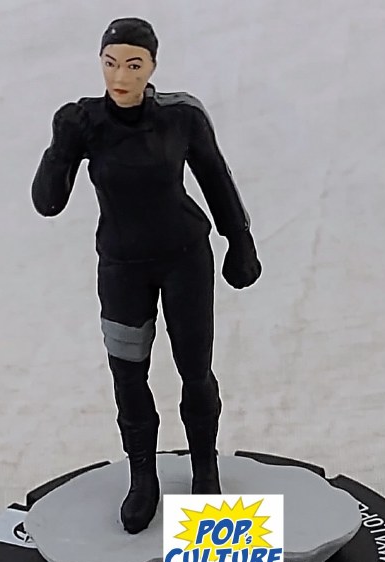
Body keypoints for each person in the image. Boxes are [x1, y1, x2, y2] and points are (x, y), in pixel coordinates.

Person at [31, 17, 262, 534]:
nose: (121, 76)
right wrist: (60, 148)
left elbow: (216, 177)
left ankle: (205, 471)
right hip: (121, 268)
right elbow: (48, 203)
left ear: (153, 66)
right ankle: (142, 477)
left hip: (184, 259)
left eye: (134, 65)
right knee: (128, 376)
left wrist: (239, 239)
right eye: (111, 63)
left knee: (194, 369)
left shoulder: (182, 116)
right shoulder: (85, 121)